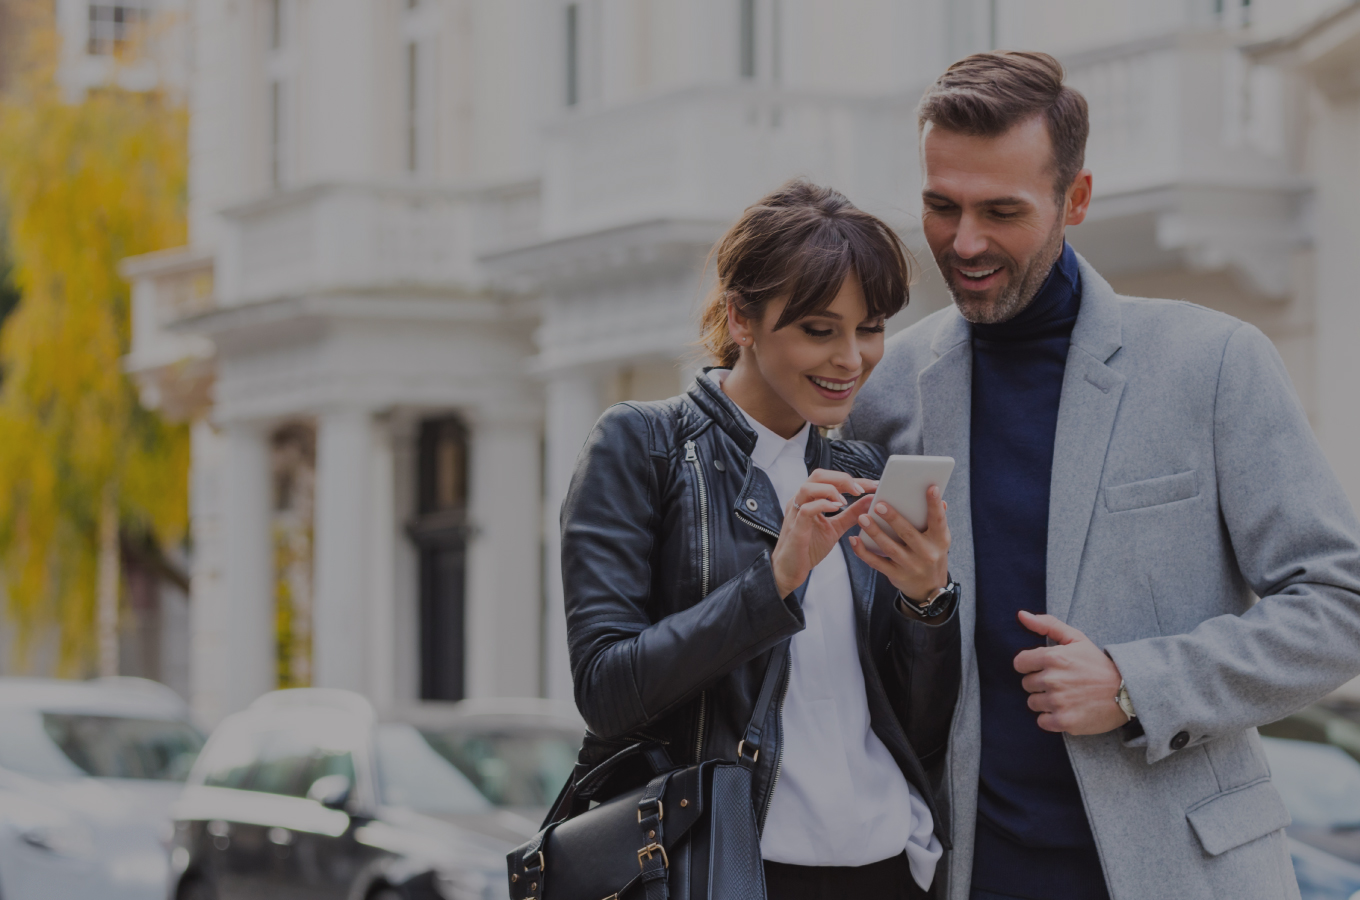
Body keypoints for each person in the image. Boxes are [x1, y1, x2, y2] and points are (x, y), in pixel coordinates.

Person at [842, 51, 1360, 900]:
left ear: (1075, 201)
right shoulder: (887, 389)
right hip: (967, 877)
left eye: (1001, 211)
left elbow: (1341, 604)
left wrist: (1136, 683)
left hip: (1187, 874)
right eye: (942, 206)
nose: (963, 243)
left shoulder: (1214, 363)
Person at [563, 179, 963, 899]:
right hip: (732, 869)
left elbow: (918, 728)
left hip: (886, 869)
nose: (852, 359)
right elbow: (607, 689)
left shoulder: (861, 471)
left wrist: (927, 603)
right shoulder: (644, 447)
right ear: (742, 319)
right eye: (819, 330)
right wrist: (774, 582)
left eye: (869, 328)